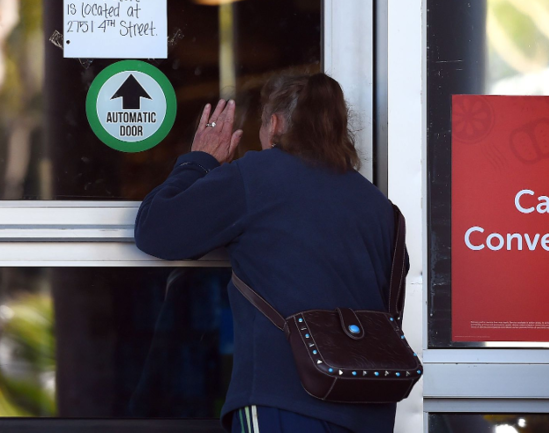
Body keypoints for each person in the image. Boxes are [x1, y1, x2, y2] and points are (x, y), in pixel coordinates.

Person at [134, 73, 400, 432]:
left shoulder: (256, 175)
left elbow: (157, 231)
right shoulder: (378, 205)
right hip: (370, 409)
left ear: (274, 124)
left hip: (285, 401)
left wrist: (200, 161)